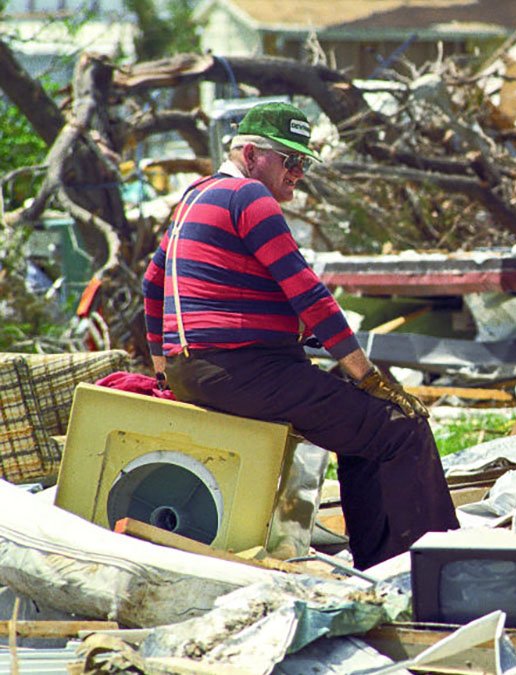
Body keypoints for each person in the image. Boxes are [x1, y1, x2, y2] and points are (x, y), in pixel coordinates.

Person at [142, 101, 458, 570]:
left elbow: (152, 283)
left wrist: (165, 368)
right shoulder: (250, 198)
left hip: (202, 370)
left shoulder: (194, 196)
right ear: (250, 155)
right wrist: (366, 375)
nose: (298, 172)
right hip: (247, 370)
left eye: (303, 162)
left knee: (359, 431)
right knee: (400, 427)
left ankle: (379, 563)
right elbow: (307, 290)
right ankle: (431, 569)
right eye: (288, 160)